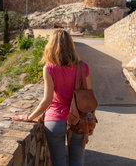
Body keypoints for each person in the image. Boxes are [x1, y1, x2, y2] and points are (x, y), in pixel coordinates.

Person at [12, 30, 91, 166]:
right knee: (77, 161)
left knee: (58, 162)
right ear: (71, 45)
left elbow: (47, 100)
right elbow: (88, 95)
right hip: (78, 120)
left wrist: (30, 117)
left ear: (51, 46)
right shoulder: (83, 67)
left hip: (55, 120)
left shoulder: (49, 68)